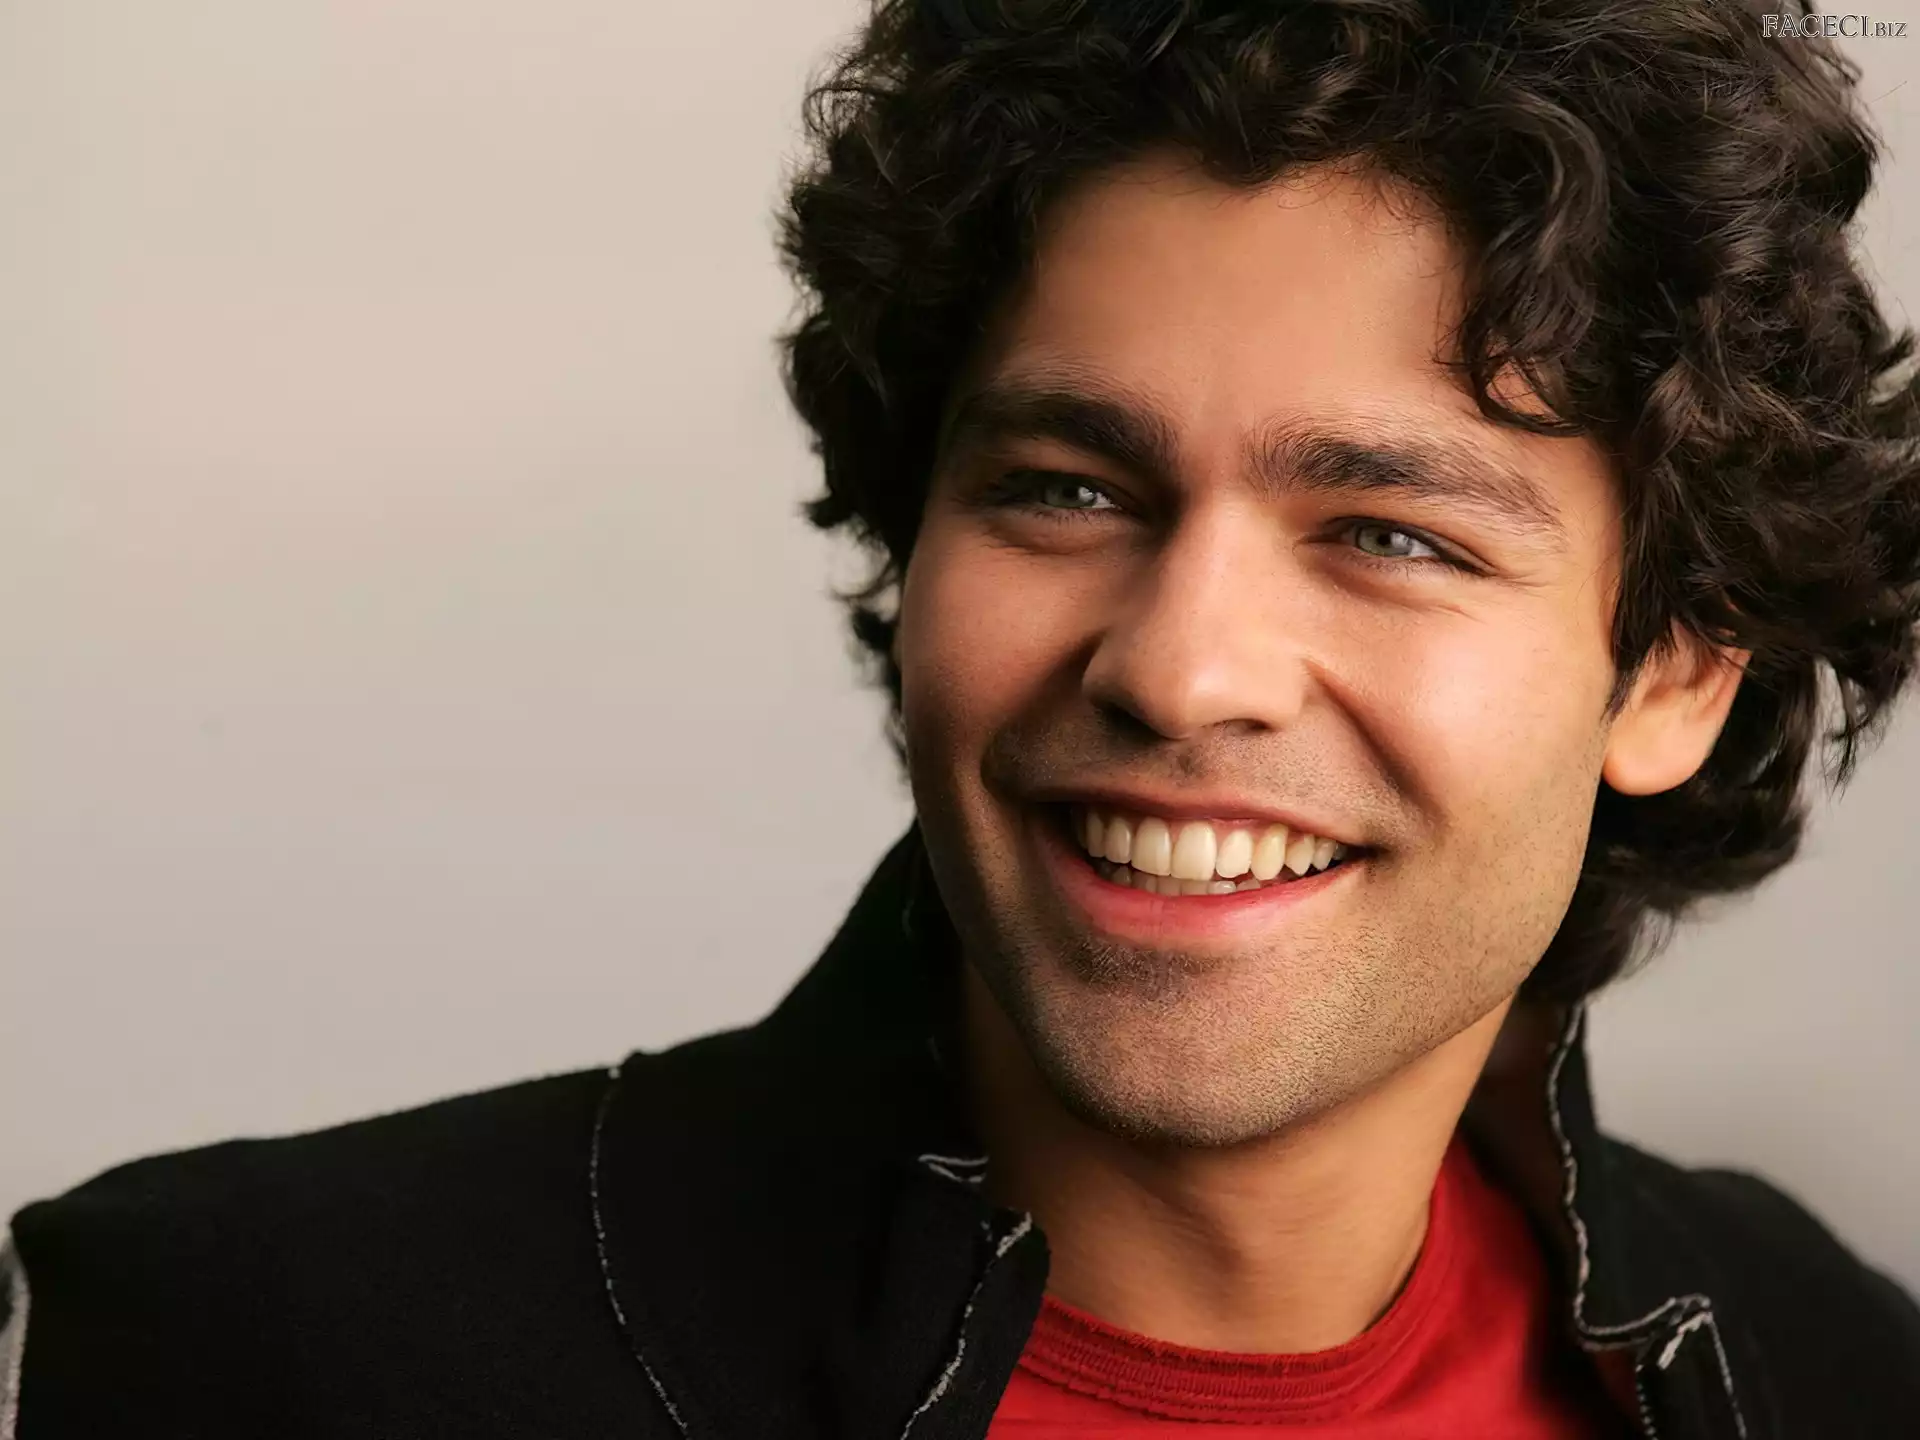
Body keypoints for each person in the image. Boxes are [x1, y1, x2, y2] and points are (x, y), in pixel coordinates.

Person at [6, 0, 1920, 1434]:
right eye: (1069, 490)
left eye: (1387, 534)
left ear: (1678, 668)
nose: (1180, 669)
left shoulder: (1824, 1366)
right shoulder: (258, 1354)